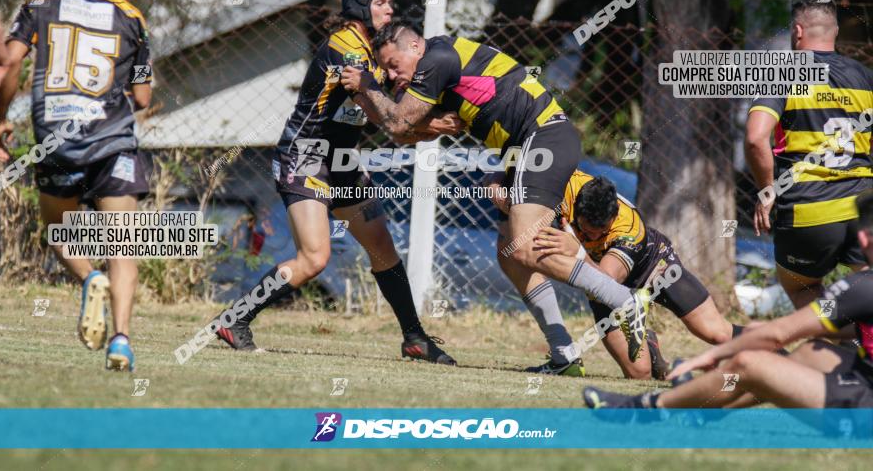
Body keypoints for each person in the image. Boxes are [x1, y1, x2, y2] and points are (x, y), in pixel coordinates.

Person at [340, 21, 651, 361]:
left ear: (415, 48)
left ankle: (623, 299)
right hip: (520, 151)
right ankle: (564, 354)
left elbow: (399, 121)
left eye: (393, 66)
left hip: (544, 138)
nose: (392, 75)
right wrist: (369, 96)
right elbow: (403, 133)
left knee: (524, 247)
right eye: (385, 69)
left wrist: (367, 85)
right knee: (510, 253)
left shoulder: (437, 60)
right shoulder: (434, 70)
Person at [214, 0, 461, 365]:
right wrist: (433, 124)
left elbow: (394, 111)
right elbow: (388, 118)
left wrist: (425, 121)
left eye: (390, 3)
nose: (390, 9)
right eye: (381, 3)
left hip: (343, 160)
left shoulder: (372, 50)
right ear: (361, 7)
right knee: (314, 259)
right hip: (306, 157)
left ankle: (415, 338)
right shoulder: (347, 49)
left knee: (383, 249)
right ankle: (235, 320)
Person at [0, 0, 152, 371]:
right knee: (125, 245)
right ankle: (121, 340)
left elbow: (8, 69)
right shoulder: (132, 17)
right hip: (113, 142)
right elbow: (142, 95)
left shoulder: (40, 2)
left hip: (57, 143)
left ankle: (90, 278)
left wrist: (0, 119)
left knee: (59, 233)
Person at [583, 188, 873, 410]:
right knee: (810, 351)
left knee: (748, 362)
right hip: (862, 377)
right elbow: (843, 328)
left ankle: (642, 408)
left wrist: (711, 356)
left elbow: (779, 334)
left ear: (863, 240)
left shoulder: (862, 287)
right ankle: (704, 410)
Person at [516, 173, 739, 379]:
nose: (591, 235)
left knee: (716, 333)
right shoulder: (566, 185)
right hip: (602, 289)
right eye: (584, 229)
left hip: (654, 268)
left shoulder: (629, 228)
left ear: (613, 217)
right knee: (638, 373)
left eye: (600, 231)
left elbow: (606, 282)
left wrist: (578, 250)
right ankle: (651, 348)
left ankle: (773, 346)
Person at [746, 0, 873, 308]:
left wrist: (766, 191)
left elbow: (754, 138)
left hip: (809, 210)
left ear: (798, 32)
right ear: (835, 33)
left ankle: (836, 349)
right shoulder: (864, 76)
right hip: (864, 207)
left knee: (803, 290)